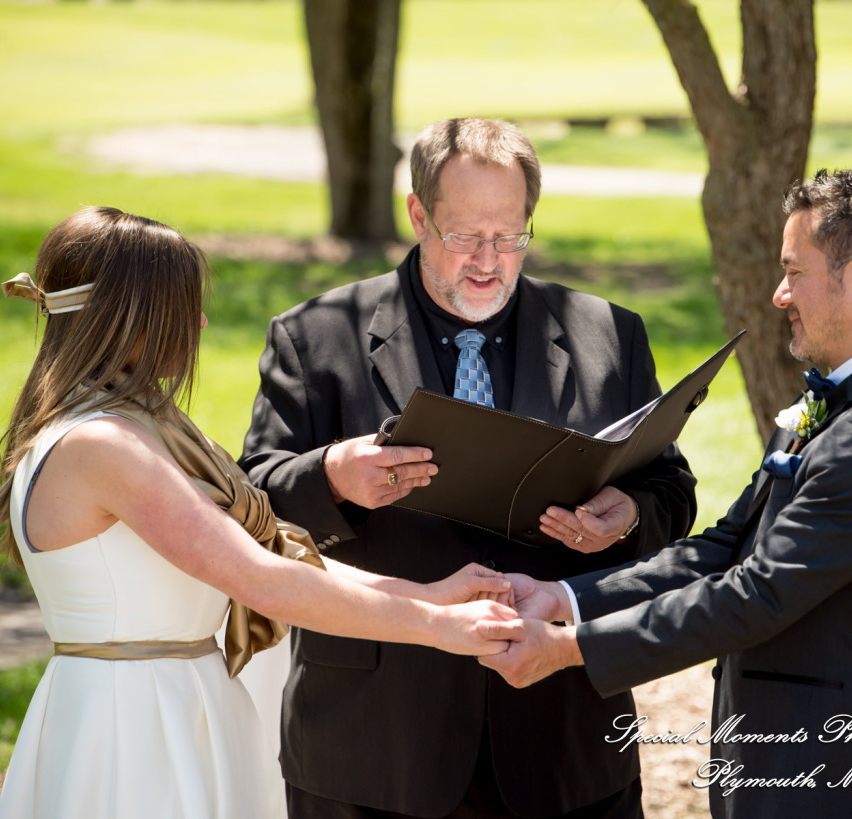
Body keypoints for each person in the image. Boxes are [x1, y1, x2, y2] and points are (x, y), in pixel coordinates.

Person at [0, 206, 520, 819]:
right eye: (183, 306)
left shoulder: (142, 424)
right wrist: (434, 629)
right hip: (132, 725)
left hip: (183, 700)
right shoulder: (104, 446)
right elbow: (263, 579)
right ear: (126, 318)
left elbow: (272, 554)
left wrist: (433, 596)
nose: (203, 321)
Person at [239, 117, 698, 818]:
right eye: (466, 236)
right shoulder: (314, 336)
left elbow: (669, 488)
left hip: (563, 740)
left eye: (510, 235)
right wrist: (332, 475)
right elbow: (252, 508)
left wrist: (628, 517)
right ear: (418, 214)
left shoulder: (608, 332)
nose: (489, 260)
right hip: (375, 744)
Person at [480, 166, 852, 819]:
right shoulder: (851, 402)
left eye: (794, 271)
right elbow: (724, 549)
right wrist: (565, 598)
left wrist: (570, 649)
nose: (778, 294)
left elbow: (758, 593)